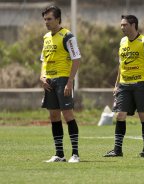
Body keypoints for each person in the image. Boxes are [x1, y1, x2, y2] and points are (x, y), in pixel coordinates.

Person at [104, 15, 144, 158]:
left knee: (143, 116)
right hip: (124, 85)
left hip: (141, 84)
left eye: (124, 25)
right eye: (121, 25)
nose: (122, 28)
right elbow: (121, 65)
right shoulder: (122, 41)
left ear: (133, 25)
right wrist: (117, 84)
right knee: (120, 115)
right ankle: (117, 150)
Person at [40, 6, 81, 163]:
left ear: (58, 19)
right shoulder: (46, 38)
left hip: (64, 79)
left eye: (49, 19)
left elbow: (76, 59)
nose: (46, 22)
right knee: (54, 116)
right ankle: (59, 154)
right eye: (45, 19)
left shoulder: (67, 36)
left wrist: (70, 81)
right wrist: (42, 76)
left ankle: (75, 154)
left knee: (68, 114)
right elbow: (44, 60)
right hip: (49, 80)